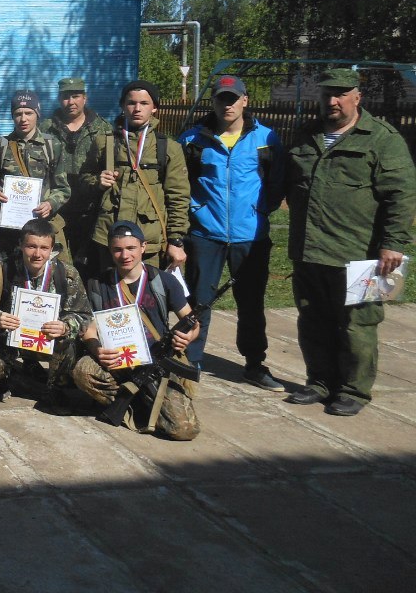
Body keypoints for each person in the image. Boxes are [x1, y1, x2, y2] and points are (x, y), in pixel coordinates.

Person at [283, 67, 416, 417]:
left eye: (341, 94)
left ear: (357, 97)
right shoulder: (305, 135)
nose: (332, 100)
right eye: (327, 93)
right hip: (310, 250)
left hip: (360, 254)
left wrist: (393, 244)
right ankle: (319, 382)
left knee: (358, 325)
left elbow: (401, 196)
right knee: (313, 321)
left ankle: (354, 390)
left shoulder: (381, 139)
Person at [179, 75, 286, 388]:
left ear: (245, 100)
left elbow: (277, 181)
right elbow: (180, 183)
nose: (227, 105)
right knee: (199, 302)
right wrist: (195, 211)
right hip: (205, 234)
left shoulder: (266, 139)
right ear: (213, 102)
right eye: (221, 99)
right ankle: (191, 361)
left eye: (233, 98)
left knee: (251, 303)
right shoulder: (192, 140)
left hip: (249, 237)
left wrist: (262, 211)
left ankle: (255, 365)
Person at [74, 221, 200, 441]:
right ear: (110, 250)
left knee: (183, 430)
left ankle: (144, 400)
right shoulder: (97, 284)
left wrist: (187, 337)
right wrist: (97, 350)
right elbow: (89, 329)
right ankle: (129, 403)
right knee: (83, 371)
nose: (125, 255)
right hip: (117, 361)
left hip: (155, 362)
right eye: (118, 249)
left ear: (143, 247)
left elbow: (192, 322)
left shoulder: (164, 281)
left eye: (131, 248)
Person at [0, 218, 91, 406]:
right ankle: (3, 379)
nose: (37, 254)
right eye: (31, 246)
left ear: (52, 248)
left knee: (68, 345)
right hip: (11, 341)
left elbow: (84, 315)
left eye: (44, 248)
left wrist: (65, 326)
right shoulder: (2, 270)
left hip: (48, 341)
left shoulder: (67, 274)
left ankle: (56, 388)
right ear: (20, 245)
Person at [92, 80, 190, 274]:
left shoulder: (168, 148)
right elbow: (84, 179)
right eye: (131, 103)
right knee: (110, 297)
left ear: (154, 108)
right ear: (122, 106)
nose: (137, 108)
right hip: (109, 238)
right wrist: (97, 181)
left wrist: (176, 240)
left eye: (144, 103)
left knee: (149, 298)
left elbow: (178, 197)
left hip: (149, 240)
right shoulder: (105, 142)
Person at [0, 90, 70, 263]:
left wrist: (50, 203)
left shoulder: (52, 145)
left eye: (29, 113)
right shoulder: (0, 146)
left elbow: (63, 188)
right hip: (6, 231)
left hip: (40, 229)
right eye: (18, 114)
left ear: (37, 114)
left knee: (41, 277)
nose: (23, 119)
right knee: (4, 276)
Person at [44, 76, 112, 275]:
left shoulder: (103, 129)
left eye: (76, 96)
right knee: (57, 264)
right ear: (59, 99)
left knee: (89, 266)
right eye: (66, 97)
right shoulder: (45, 129)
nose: (71, 102)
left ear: (85, 98)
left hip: (90, 209)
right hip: (55, 209)